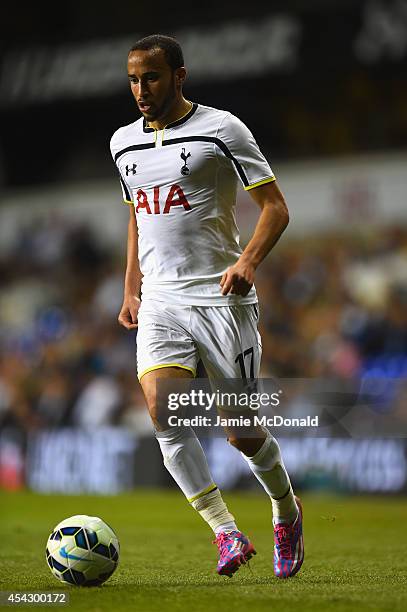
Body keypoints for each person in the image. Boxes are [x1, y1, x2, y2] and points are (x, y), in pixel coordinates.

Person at [110, 34, 304, 579]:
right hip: (162, 301)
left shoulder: (222, 129)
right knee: (162, 411)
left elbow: (275, 208)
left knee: (241, 431)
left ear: (179, 76)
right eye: (132, 79)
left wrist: (247, 263)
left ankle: (286, 511)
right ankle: (226, 532)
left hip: (221, 296)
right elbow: (137, 216)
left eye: (150, 77)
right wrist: (131, 288)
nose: (140, 89)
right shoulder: (122, 142)